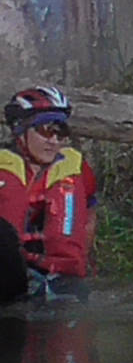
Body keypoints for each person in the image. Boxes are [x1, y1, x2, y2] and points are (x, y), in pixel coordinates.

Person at [0, 87, 96, 301]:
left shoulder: (76, 169)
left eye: (60, 132)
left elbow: (89, 215)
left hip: (59, 280)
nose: (54, 141)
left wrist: (79, 261)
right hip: (10, 278)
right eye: (45, 130)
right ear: (20, 131)